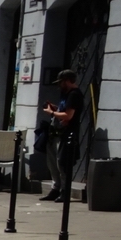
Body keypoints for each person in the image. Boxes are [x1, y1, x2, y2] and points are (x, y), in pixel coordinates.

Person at [43, 69, 84, 202]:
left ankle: (65, 191)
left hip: (67, 134)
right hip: (57, 131)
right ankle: (56, 188)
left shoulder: (74, 94)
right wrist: (56, 109)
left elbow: (68, 115)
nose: (59, 85)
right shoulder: (65, 93)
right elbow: (63, 111)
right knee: (52, 161)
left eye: (61, 82)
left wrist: (51, 113)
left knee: (62, 162)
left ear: (67, 81)